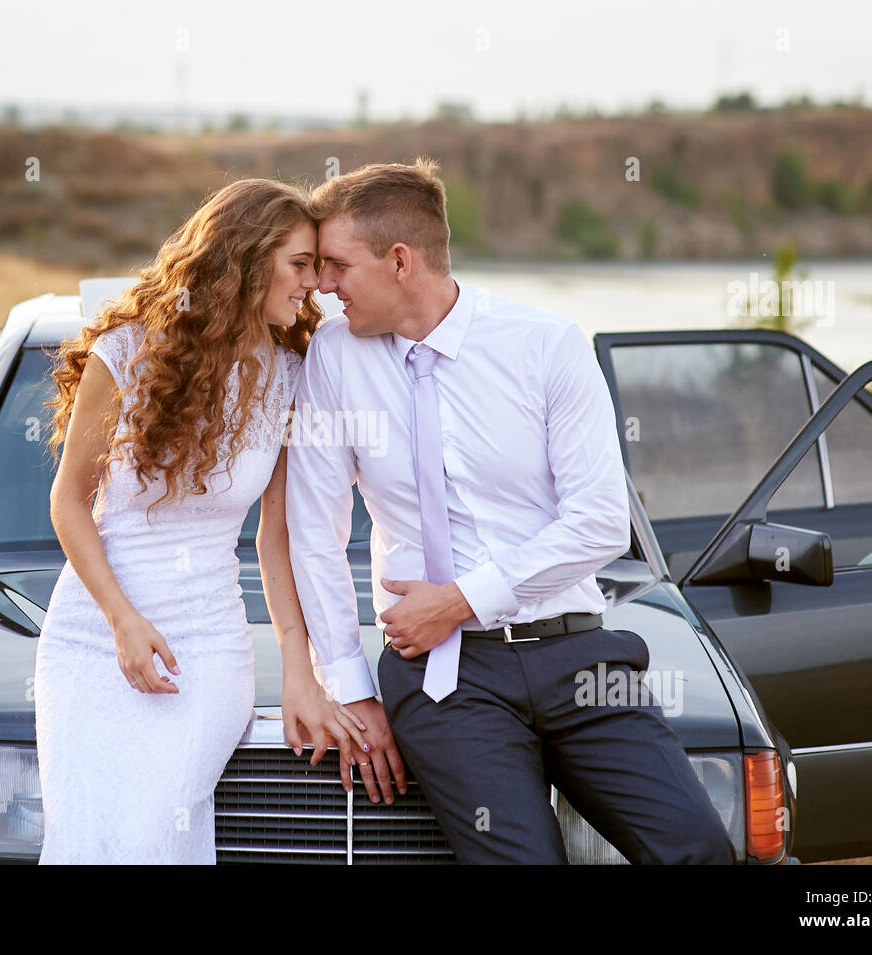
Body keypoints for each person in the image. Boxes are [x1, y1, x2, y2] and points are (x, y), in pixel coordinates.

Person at [286, 157, 736, 864]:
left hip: (579, 652)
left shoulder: (547, 345)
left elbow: (597, 522)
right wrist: (351, 687)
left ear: (401, 260)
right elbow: (313, 531)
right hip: (444, 678)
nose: (322, 285)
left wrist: (461, 599)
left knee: (699, 846)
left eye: (337, 265)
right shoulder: (335, 356)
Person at [33, 178, 370, 864]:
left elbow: (275, 538)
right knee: (84, 841)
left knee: (158, 830)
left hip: (207, 646)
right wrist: (123, 621)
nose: (314, 284)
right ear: (246, 259)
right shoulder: (124, 353)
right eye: (300, 265)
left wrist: (300, 670)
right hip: (91, 637)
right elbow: (70, 501)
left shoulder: (290, 373)